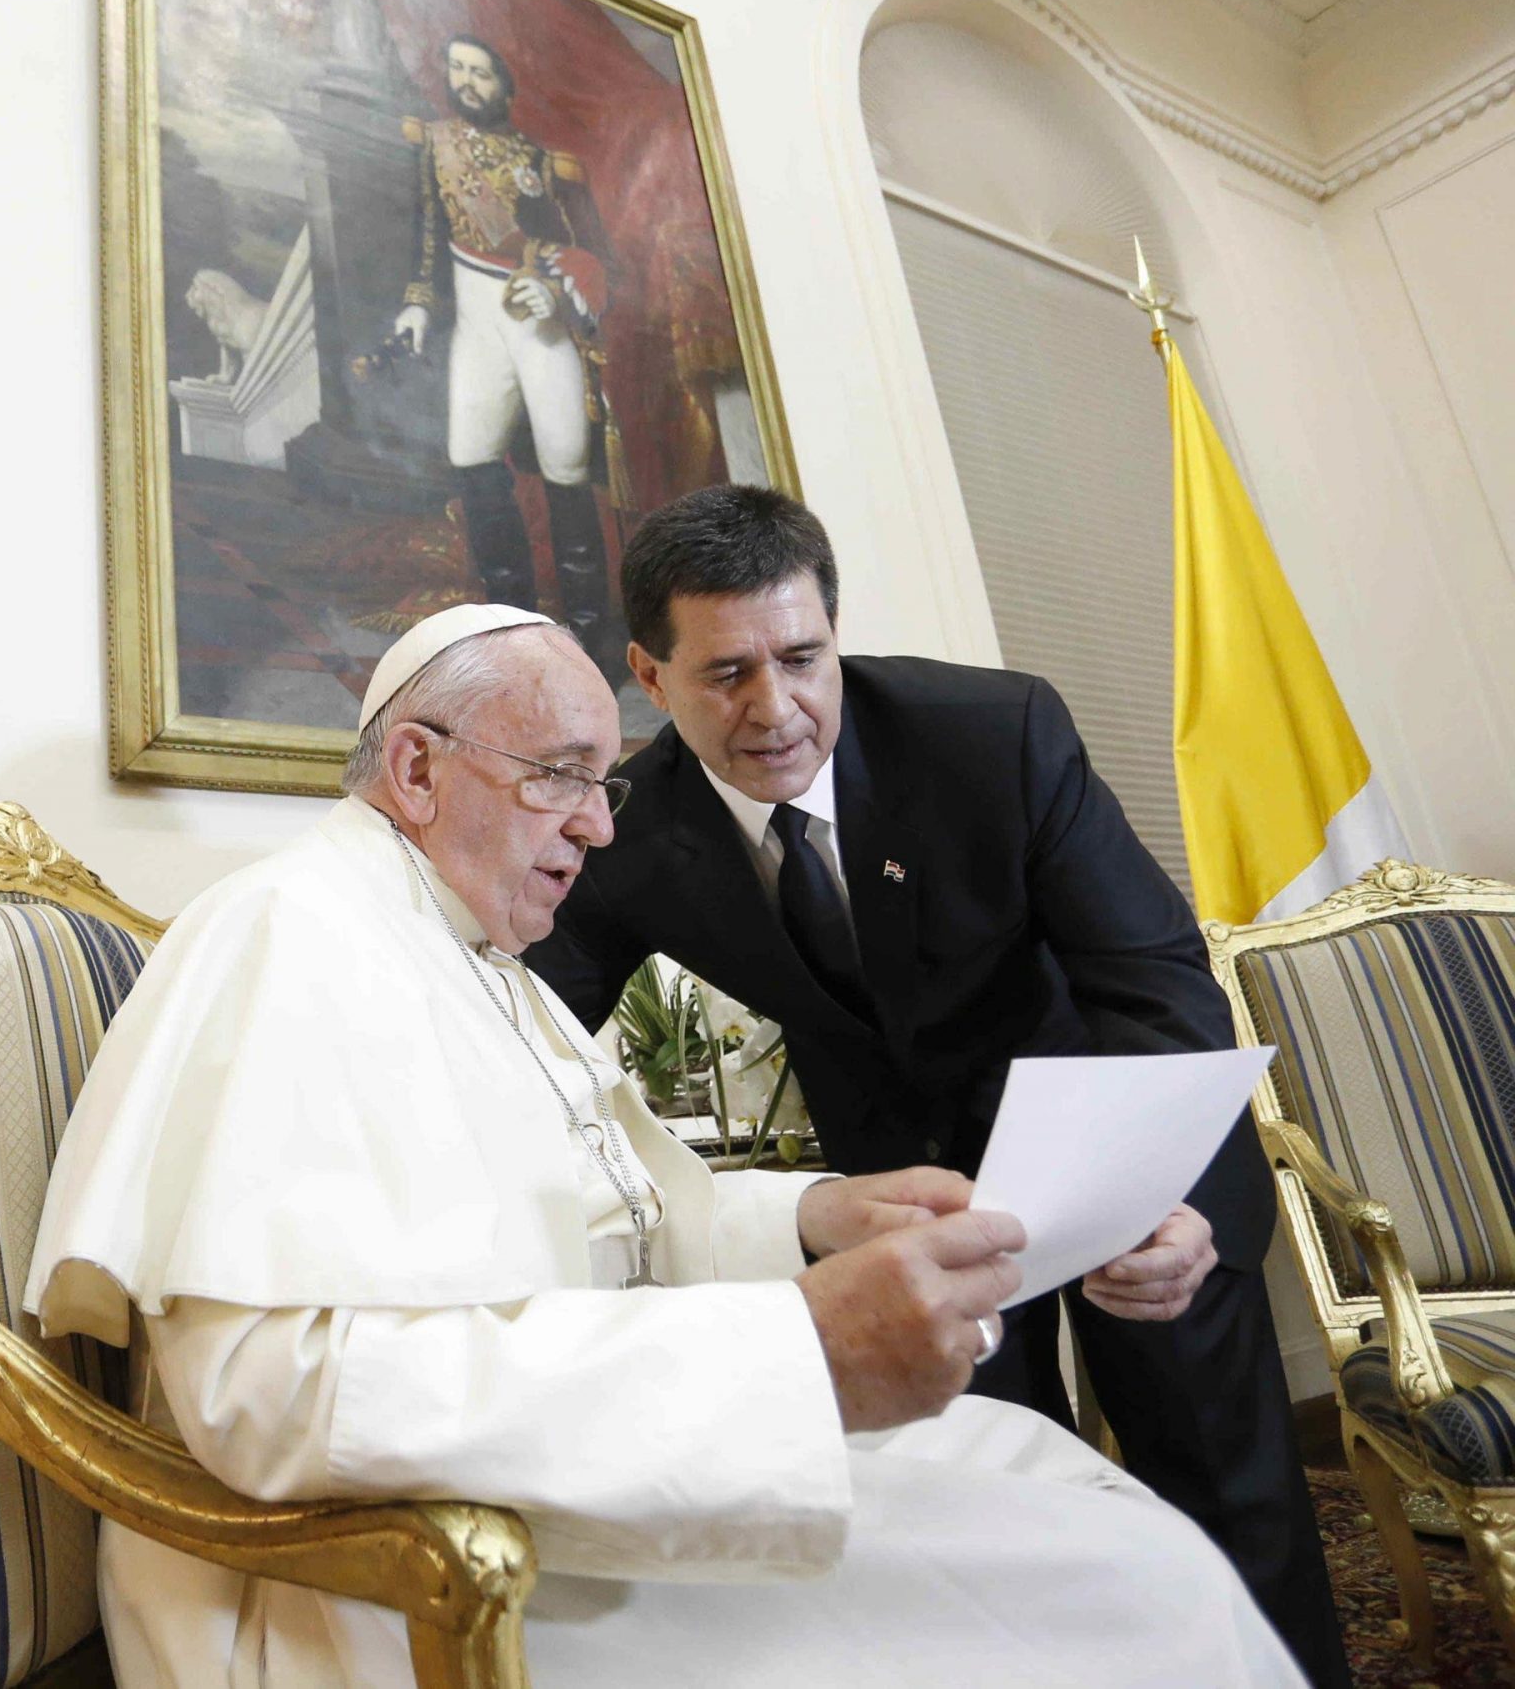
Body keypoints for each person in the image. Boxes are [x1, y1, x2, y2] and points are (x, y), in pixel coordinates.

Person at [25, 602, 1301, 1687]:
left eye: (603, 782)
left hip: (532, 1487)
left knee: (1047, 1481)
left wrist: (816, 1216)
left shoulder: (480, 959)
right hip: (391, 1581)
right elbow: (273, 1393)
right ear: (415, 770)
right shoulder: (293, 933)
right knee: (1117, 1594)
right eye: (560, 774)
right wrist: (796, 1354)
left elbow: (620, 1221)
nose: (597, 826)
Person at [524, 485, 1348, 1688]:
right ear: (650, 675)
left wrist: (1161, 1191)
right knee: (991, 1507)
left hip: (1114, 1141)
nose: (775, 708)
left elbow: (1153, 980)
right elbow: (534, 1027)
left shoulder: (993, 730)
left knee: (1226, 1488)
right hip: (909, 1192)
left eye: (801, 657)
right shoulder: (631, 828)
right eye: (727, 673)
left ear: (833, 632)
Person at [394, 36, 620, 653]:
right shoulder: (435, 145)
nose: (467, 82)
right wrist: (418, 302)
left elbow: (589, 251)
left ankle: (591, 638)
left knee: (565, 462)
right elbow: (427, 233)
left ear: (504, 84)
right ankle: (510, 629)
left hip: (540, 324)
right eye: (458, 69)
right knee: (472, 458)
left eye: (481, 72)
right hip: (476, 328)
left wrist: (557, 289)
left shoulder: (544, 163)